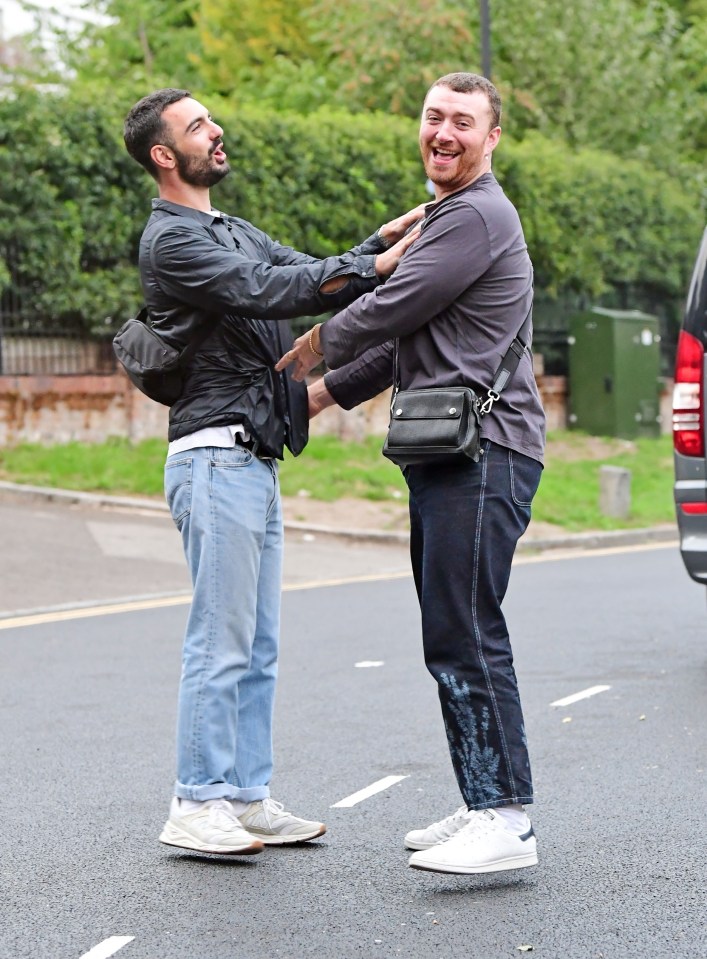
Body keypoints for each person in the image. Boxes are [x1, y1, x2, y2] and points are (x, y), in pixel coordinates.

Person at [123, 88, 422, 857]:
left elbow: (302, 271)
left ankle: (247, 795)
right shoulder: (174, 242)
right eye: (197, 126)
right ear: (164, 155)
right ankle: (195, 800)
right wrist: (368, 265)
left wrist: (371, 245)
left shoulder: (229, 229)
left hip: (251, 457)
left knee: (256, 645)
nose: (216, 130)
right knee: (218, 640)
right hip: (213, 454)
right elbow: (271, 290)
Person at [276, 73, 546, 875]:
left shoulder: (477, 214)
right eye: (434, 117)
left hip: (487, 449)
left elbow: (393, 308)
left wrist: (307, 349)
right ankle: (482, 796)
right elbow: (403, 350)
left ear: (491, 138)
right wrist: (312, 401)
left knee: (467, 629)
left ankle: (506, 818)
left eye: (463, 121)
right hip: (448, 450)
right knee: (448, 630)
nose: (444, 132)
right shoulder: (445, 216)